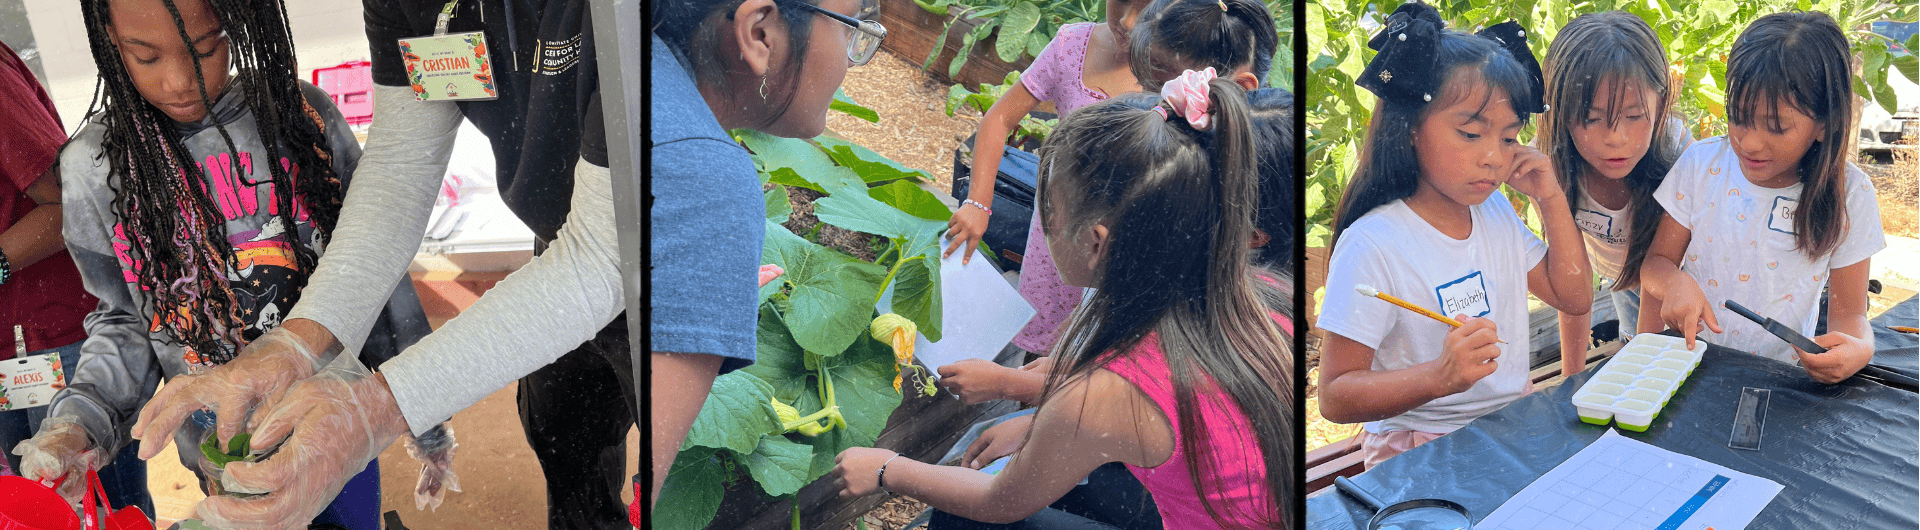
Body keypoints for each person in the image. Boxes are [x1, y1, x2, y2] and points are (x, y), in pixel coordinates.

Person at [121, 0, 642, 526]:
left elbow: (606, 254)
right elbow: (400, 168)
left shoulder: (614, 18)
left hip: (667, 262)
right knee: (566, 435)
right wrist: (295, 342)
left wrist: (377, 411)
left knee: (691, 470)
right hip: (562, 240)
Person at [7, 1, 447, 527]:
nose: (179, 80)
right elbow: (126, 320)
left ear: (237, 23)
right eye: (146, 57)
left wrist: (426, 413)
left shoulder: (299, 116)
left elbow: (376, 273)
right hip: (219, 456)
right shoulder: (97, 169)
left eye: (206, 48)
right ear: (109, 41)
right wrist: (79, 423)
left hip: (335, 430)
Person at [833, 70, 1291, 530]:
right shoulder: (1261, 293)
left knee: (968, 520)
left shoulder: (1103, 396)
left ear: (1097, 243)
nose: (1042, 221)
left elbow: (999, 500)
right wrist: (1036, 400)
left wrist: (887, 469)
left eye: (1048, 208)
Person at [938, 0, 1278, 404]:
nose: (1129, 23)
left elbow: (1123, 392)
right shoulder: (1189, 216)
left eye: (1163, 79)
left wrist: (1010, 385)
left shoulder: (1171, 267)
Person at [1314, 2, 1592, 469]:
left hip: (1509, 426)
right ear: (1411, 131)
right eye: (1470, 134)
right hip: (1421, 452)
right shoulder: (1374, 243)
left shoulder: (1494, 210)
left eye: (1508, 138)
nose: (1494, 158)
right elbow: (1335, 397)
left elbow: (1575, 296)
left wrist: (1552, 199)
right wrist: (1439, 377)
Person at [1640, 11, 1884, 383]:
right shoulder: (1702, 165)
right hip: (1687, 373)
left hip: (1777, 385)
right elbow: (1656, 263)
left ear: (1824, 124)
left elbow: (1850, 317)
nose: (1749, 142)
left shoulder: (1850, 194)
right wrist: (1673, 283)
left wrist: (1858, 348)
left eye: (1776, 127)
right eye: (1738, 117)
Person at [0, 39, 151, 515]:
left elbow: (69, 203)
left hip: (59, 345)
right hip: (9, 355)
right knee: (39, 510)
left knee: (104, 509)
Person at [1537, 11, 1690, 375]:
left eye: (1635, 116)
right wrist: (1570, 380)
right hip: (1620, 279)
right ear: (1559, 112)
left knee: (1655, 370)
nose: (1616, 139)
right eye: (1591, 118)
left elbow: (1661, 263)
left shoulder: (1680, 155)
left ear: (1662, 99)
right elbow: (1571, 276)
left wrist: (1643, 363)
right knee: (1628, 346)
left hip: (1681, 284)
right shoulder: (1550, 168)